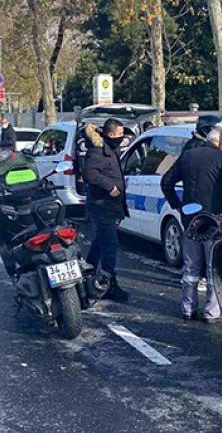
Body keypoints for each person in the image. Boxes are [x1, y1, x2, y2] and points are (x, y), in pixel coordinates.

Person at [161, 128, 222, 322]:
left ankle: (188, 308)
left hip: (191, 220)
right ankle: (211, 311)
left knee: (190, 268)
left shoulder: (188, 156)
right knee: (213, 268)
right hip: (215, 222)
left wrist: (178, 206)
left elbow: (166, 182)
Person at [82, 118, 130, 301]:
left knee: (100, 242)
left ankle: (88, 273)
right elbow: (90, 173)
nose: (122, 137)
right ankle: (107, 283)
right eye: (119, 134)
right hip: (102, 207)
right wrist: (109, 186)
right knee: (110, 245)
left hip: (109, 206)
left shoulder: (109, 149)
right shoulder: (99, 150)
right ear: (110, 135)